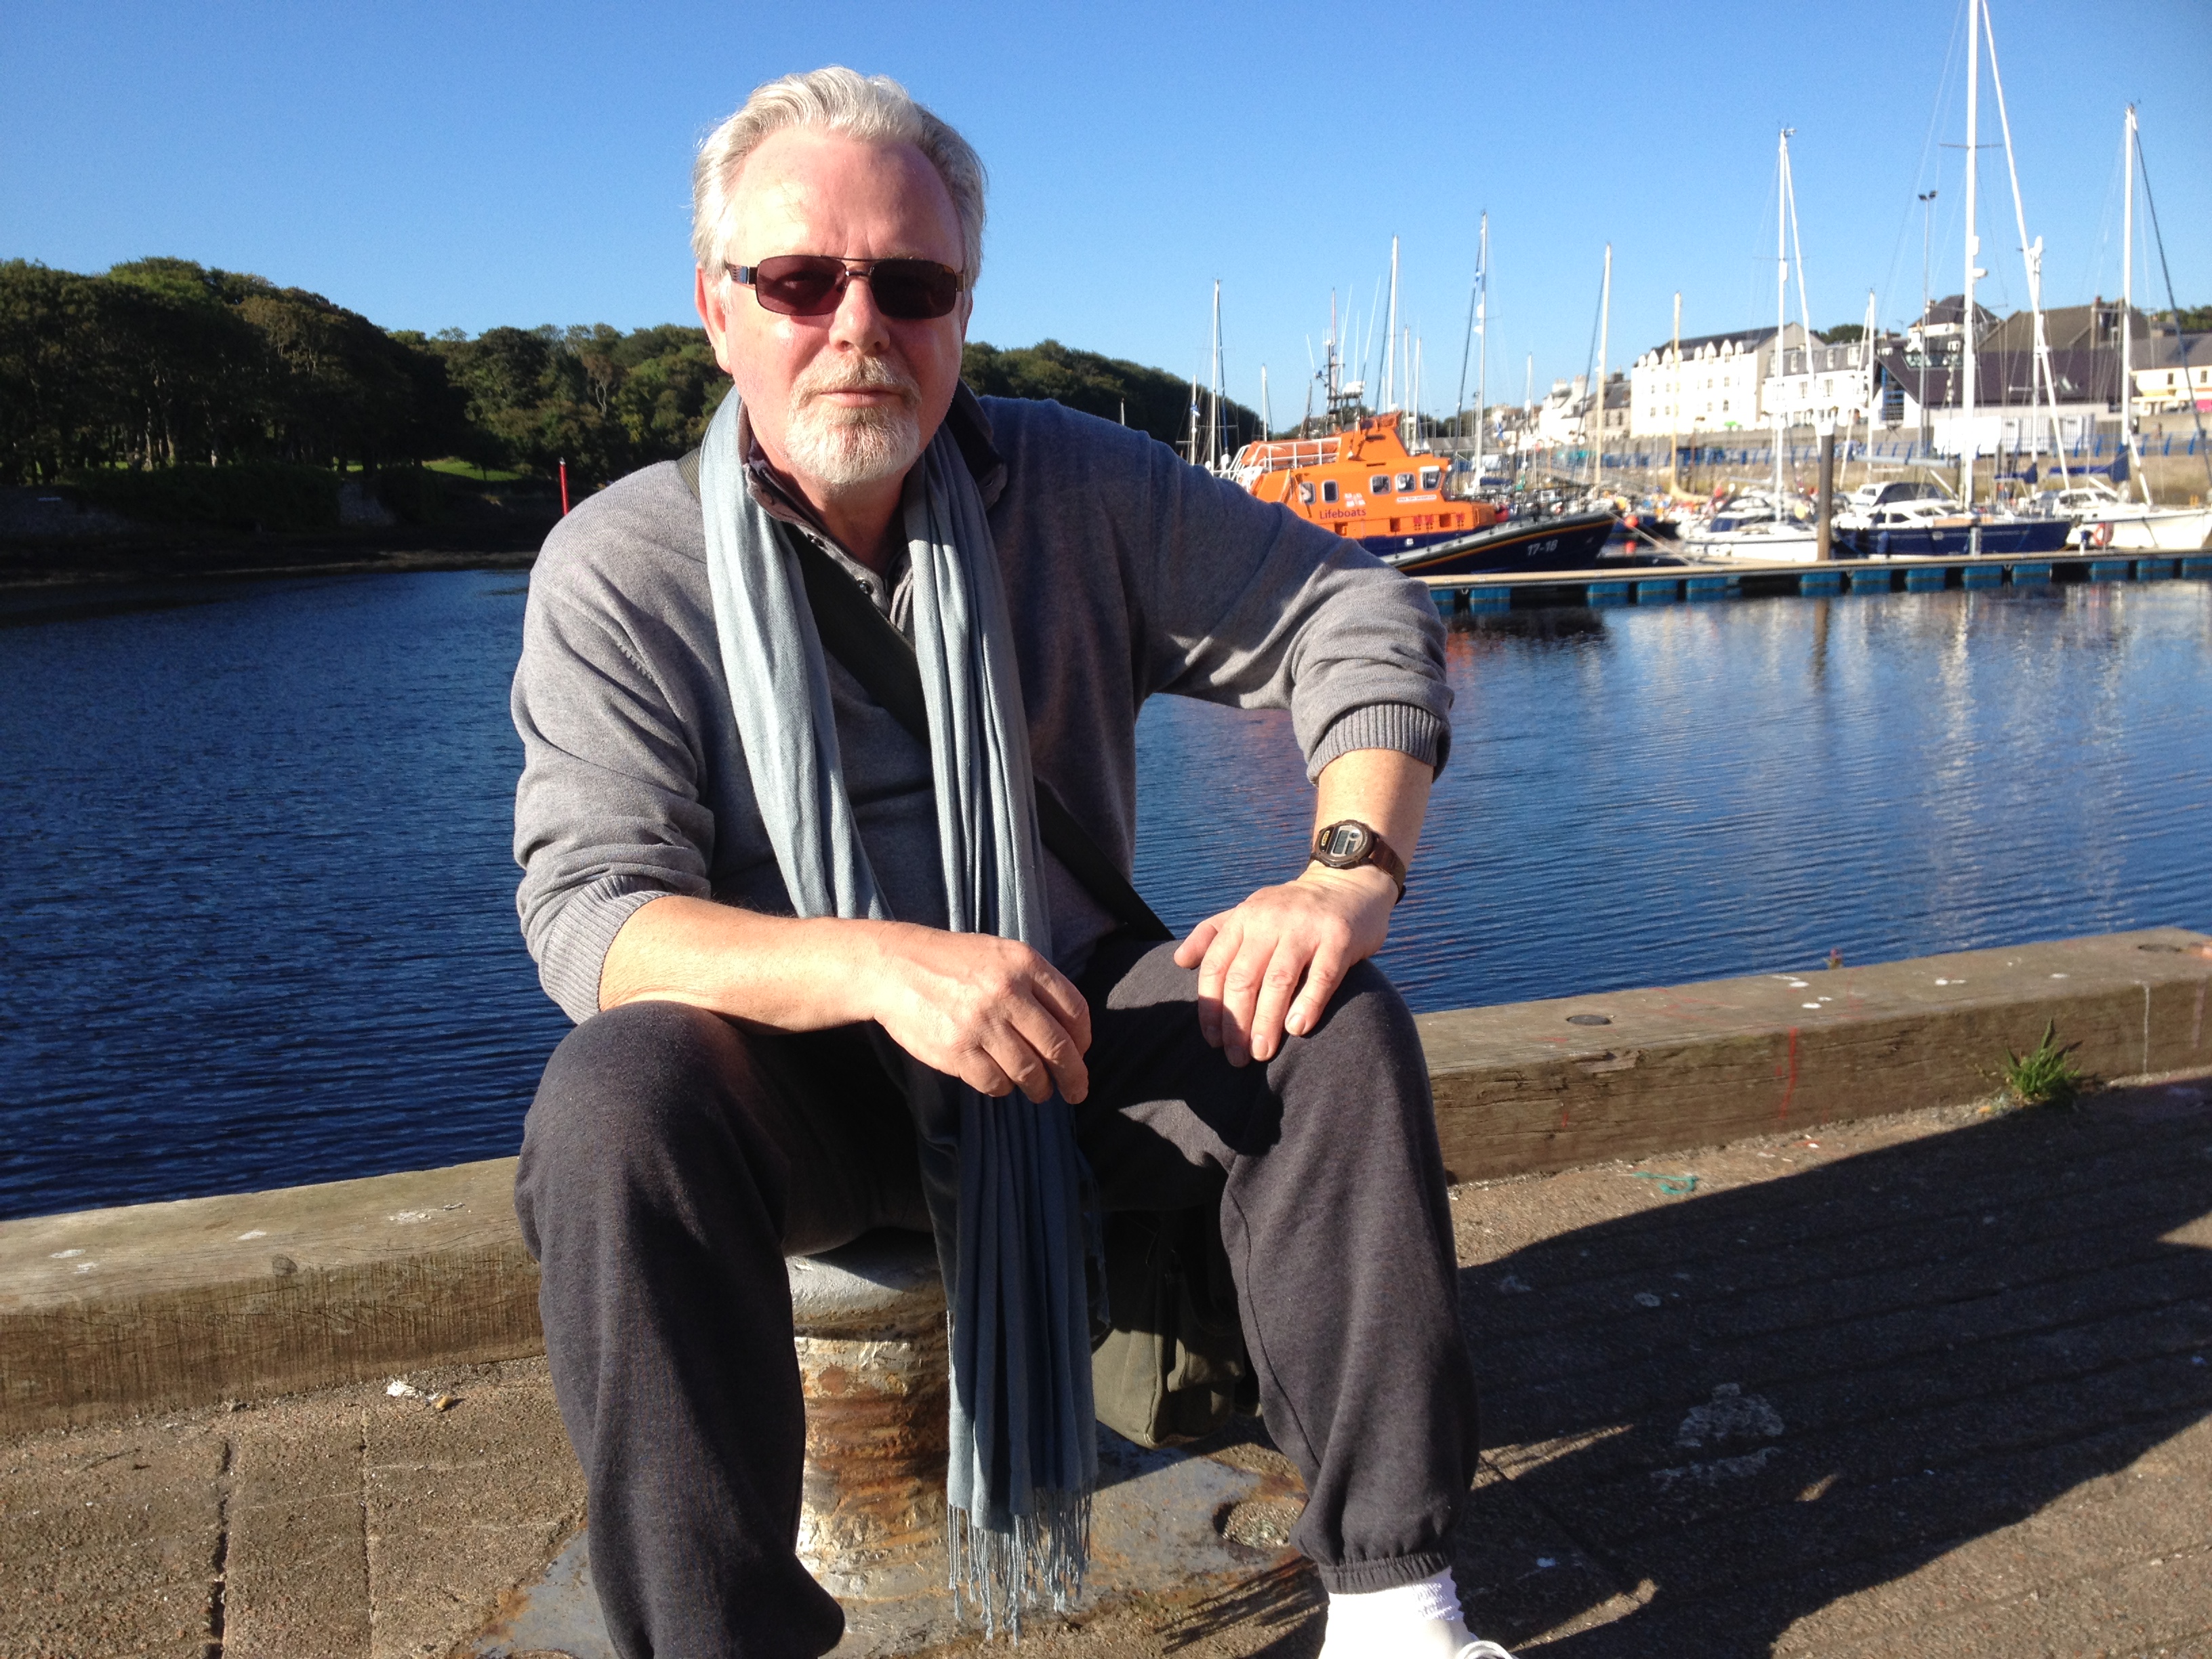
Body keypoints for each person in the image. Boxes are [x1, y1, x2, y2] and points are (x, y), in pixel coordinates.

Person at [510, 66, 1502, 1659]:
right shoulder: (623, 566)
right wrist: (879, 967)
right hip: (798, 1073)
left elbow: (1356, 613)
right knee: (612, 1105)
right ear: (716, 308)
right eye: (799, 280)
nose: (857, 327)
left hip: (1066, 1020)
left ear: (962, 307)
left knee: (1334, 1025)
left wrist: (1344, 868)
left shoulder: (1070, 486)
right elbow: (591, 913)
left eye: (910, 285)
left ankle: (1399, 1606)